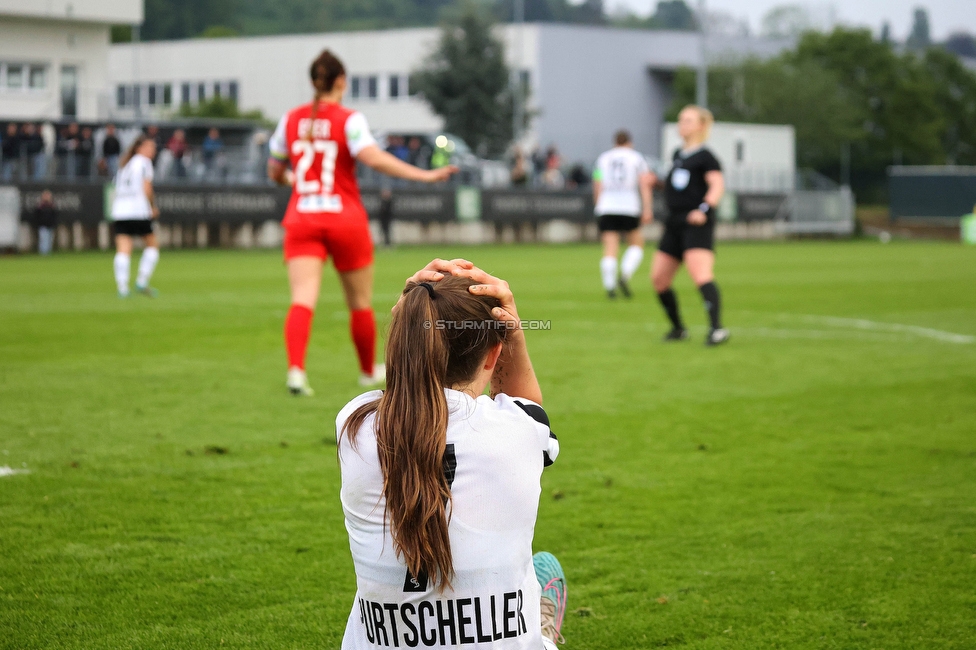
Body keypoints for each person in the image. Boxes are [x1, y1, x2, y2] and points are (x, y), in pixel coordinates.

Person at [336, 258, 567, 650]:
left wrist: (410, 312)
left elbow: (406, 395)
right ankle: (542, 633)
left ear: (402, 339)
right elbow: (529, 409)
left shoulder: (355, 427)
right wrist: (514, 336)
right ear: (494, 355)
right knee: (539, 579)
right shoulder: (520, 430)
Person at [267, 49, 457, 396]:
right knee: (359, 301)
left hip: (302, 217)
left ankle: (296, 371)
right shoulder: (349, 119)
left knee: (302, 299)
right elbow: (374, 158)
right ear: (341, 80)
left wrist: (294, 182)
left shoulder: (290, 120)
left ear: (312, 82)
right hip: (344, 218)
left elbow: (275, 171)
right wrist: (425, 176)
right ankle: (368, 371)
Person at [652, 105, 729, 346]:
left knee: (701, 275)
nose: (681, 125)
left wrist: (704, 209)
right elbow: (677, 187)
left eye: (687, 120)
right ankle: (678, 329)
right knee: (659, 279)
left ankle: (717, 329)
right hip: (674, 222)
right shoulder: (678, 154)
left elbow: (717, 186)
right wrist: (654, 182)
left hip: (696, 223)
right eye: (680, 120)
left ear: (701, 126)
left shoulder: (707, 157)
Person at [593, 130, 655, 299]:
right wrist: (647, 208)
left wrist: (598, 205)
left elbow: (597, 182)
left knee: (610, 247)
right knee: (636, 244)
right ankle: (625, 275)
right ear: (630, 142)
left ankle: (610, 286)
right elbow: (644, 185)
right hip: (629, 206)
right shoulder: (637, 158)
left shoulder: (603, 158)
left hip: (606, 206)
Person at [111, 134, 161, 298]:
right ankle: (141, 281)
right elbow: (147, 187)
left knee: (123, 250)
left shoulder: (124, 165)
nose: (152, 150)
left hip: (120, 211)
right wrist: (152, 206)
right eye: (149, 147)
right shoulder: (144, 162)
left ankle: (122, 288)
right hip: (138, 210)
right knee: (152, 246)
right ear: (139, 148)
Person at [33, 190, 58, 255]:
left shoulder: (52, 206)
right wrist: (39, 223)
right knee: (43, 240)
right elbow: (37, 216)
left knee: (49, 240)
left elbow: (55, 216)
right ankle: (43, 254)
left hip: (50, 225)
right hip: (43, 225)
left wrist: (53, 223)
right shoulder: (40, 206)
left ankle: (48, 253)